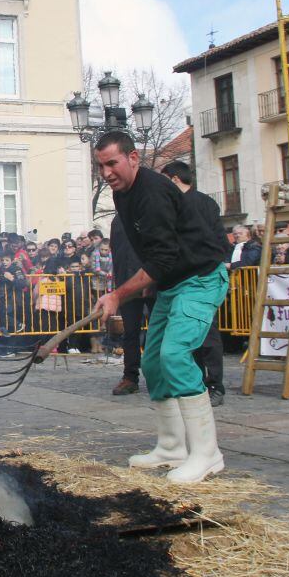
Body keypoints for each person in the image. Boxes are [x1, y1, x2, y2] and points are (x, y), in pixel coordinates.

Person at [92, 132, 229, 484]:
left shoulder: (152, 192)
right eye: (101, 165)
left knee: (175, 354)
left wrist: (119, 295)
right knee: (153, 362)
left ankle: (207, 454)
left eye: (112, 163)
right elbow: (154, 256)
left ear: (133, 158)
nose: (106, 172)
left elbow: (163, 257)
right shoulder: (122, 193)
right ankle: (172, 447)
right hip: (170, 282)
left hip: (200, 277)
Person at [162, 160, 229, 407]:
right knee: (191, 337)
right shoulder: (195, 202)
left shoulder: (197, 203)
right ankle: (200, 383)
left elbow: (216, 239)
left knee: (207, 336)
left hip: (202, 277)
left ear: (174, 179)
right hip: (188, 277)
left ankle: (214, 384)